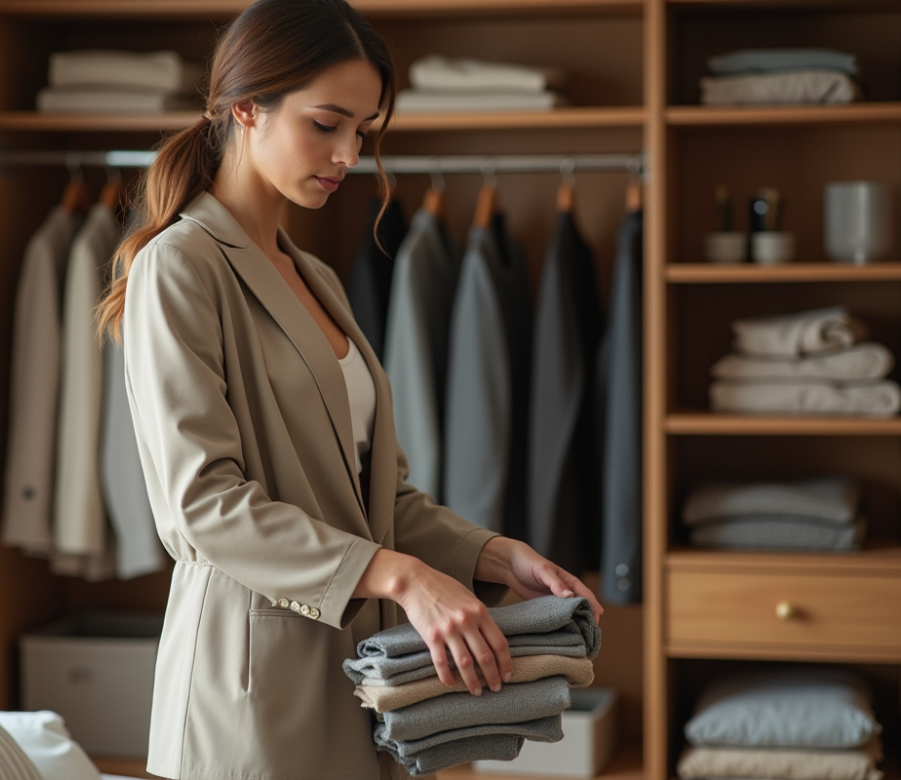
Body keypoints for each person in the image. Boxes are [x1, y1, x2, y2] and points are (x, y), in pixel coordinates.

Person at [95, 1, 604, 778]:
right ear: (246, 108)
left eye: (363, 132)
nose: (347, 154)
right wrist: (403, 577)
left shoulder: (317, 277)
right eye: (326, 124)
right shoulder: (181, 266)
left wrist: (499, 558)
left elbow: (378, 500)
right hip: (250, 692)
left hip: (361, 677)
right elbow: (202, 507)